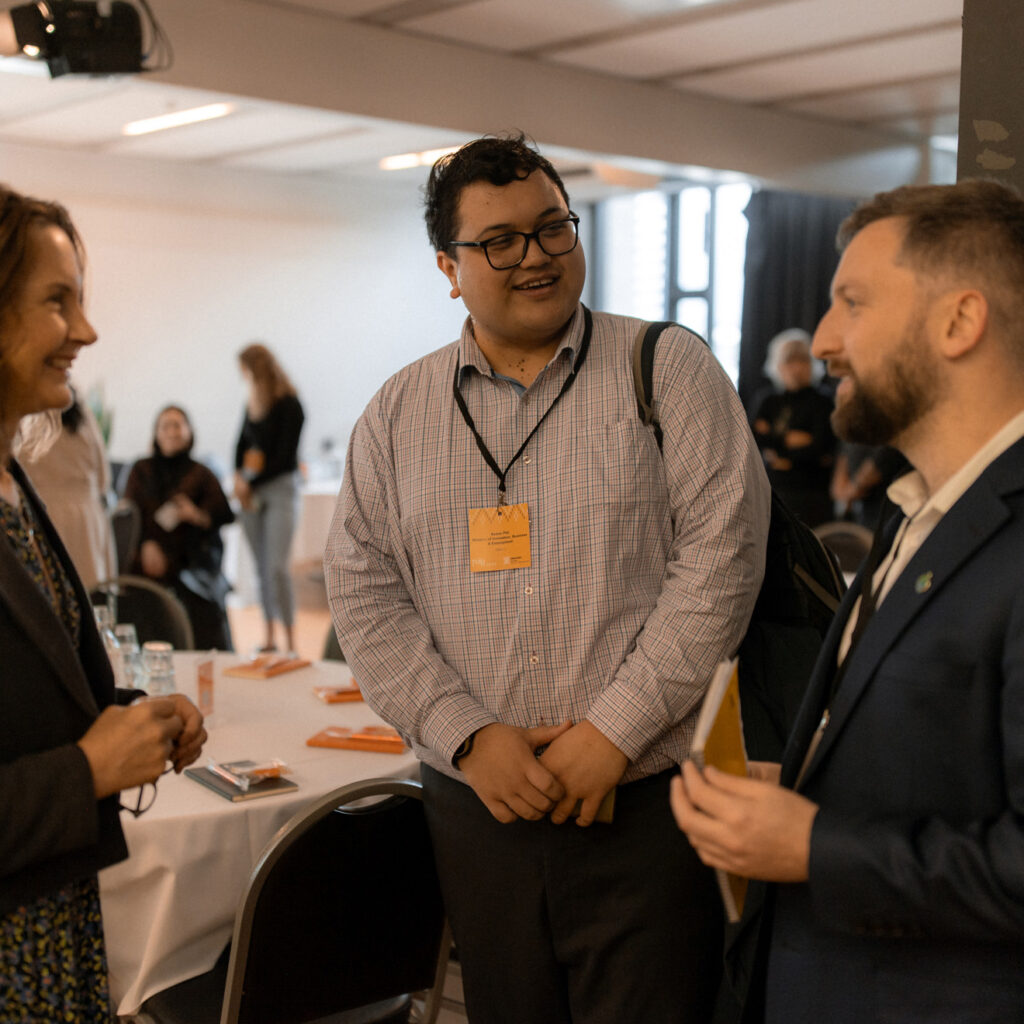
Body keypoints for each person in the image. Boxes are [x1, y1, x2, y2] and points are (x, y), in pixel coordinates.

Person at [325, 134, 770, 1023]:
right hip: (478, 810)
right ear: (449, 269)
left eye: (551, 228)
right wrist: (465, 735)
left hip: (646, 810)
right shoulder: (398, 414)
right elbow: (365, 595)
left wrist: (613, 732)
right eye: (499, 241)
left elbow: (722, 560)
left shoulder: (667, 370)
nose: (534, 256)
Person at [671, 178, 1024, 1024]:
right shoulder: (914, 511)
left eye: (853, 303)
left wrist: (811, 845)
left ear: (959, 321)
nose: (824, 339)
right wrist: (800, 792)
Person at [0, 183, 206, 1021]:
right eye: (59, 302)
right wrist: (88, 769)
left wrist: (129, 719)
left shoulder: (12, 483)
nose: (86, 331)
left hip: (52, 924)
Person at [123, 404, 235, 650]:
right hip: (147, 559)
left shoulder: (202, 474)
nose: (172, 432)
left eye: (177, 425)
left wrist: (196, 515)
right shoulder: (141, 470)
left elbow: (225, 515)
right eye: (165, 426)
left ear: (189, 431)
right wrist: (146, 545)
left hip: (190, 562)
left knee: (199, 600)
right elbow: (128, 516)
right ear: (156, 433)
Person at [233, 343, 304, 654]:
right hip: (252, 495)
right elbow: (240, 446)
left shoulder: (290, 405)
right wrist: (239, 477)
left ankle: (291, 640)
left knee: (277, 568)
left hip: (279, 490)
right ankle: (270, 637)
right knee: (261, 568)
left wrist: (250, 482)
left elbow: (284, 458)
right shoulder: (252, 405)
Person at [21, 385, 116, 589]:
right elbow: (103, 476)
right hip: (87, 517)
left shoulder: (24, 415)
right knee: (92, 591)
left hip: (44, 515)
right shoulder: (81, 412)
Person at [750, 329, 836, 527]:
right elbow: (753, 440)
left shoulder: (823, 401)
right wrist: (789, 440)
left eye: (803, 361)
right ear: (777, 365)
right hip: (772, 490)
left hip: (811, 492)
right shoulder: (767, 400)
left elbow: (821, 448)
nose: (796, 368)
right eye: (790, 361)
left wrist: (776, 446)